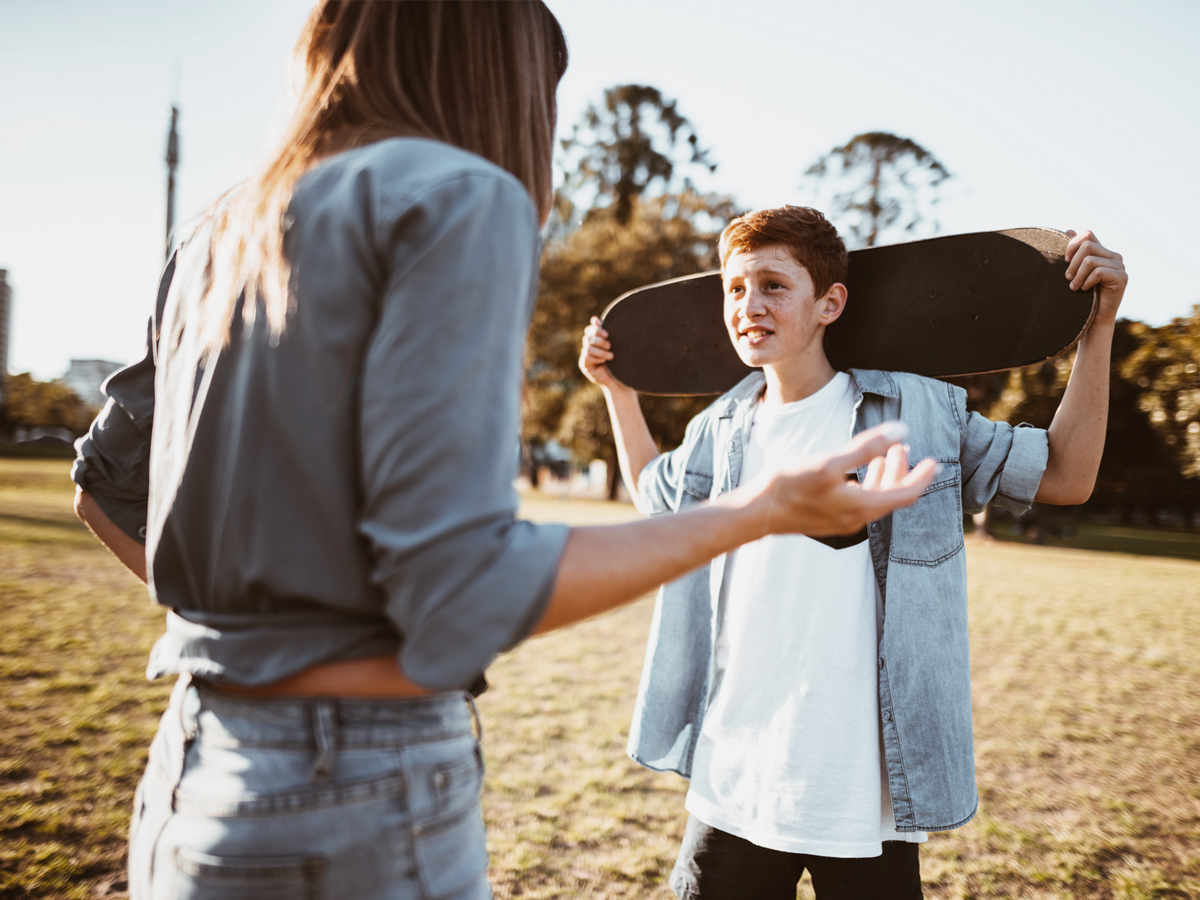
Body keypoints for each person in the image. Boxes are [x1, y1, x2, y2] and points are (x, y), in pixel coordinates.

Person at [71, 6, 936, 899]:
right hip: (359, 788)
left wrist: (254, 643)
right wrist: (761, 511)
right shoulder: (457, 195)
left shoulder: (221, 223)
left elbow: (101, 488)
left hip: (190, 767)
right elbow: (459, 589)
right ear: (502, 63)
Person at [579, 205, 1127, 900]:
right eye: (735, 287)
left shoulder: (918, 413)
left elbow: (1065, 476)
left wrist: (1098, 330)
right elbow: (654, 494)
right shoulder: (719, 426)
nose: (749, 304)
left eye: (774, 285)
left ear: (829, 302)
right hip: (733, 781)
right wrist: (618, 395)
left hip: (859, 795)